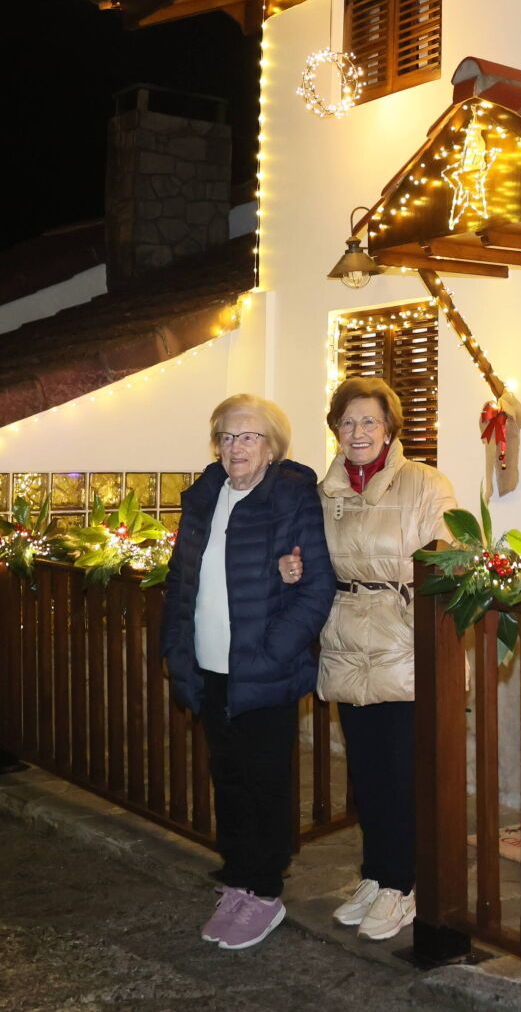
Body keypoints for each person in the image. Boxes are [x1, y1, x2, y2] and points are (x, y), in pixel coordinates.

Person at [280, 377, 454, 942]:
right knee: (367, 773)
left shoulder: (425, 482)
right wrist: (292, 568)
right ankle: (378, 875)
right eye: (347, 422)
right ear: (335, 429)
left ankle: (405, 886)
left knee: (404, 774)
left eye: (369, 422)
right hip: (345, 639)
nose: (358, 432)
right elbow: (304, 553)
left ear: (389, 428)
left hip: (403, 639)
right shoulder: (322, 492)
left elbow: (450, 554)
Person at [160, 394, 334, 952]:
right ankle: (237, 881)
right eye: (228, 437)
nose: (237, 447)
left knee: (265, 784)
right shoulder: (204, 495)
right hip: (209, 668)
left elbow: (315, 588)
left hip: (263, 671)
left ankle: (265, 891)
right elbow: (180, 582)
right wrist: (176, 650)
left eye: (250, 436)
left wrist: (272, 654)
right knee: (228, 780)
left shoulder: (292, 496)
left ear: (272, 445)